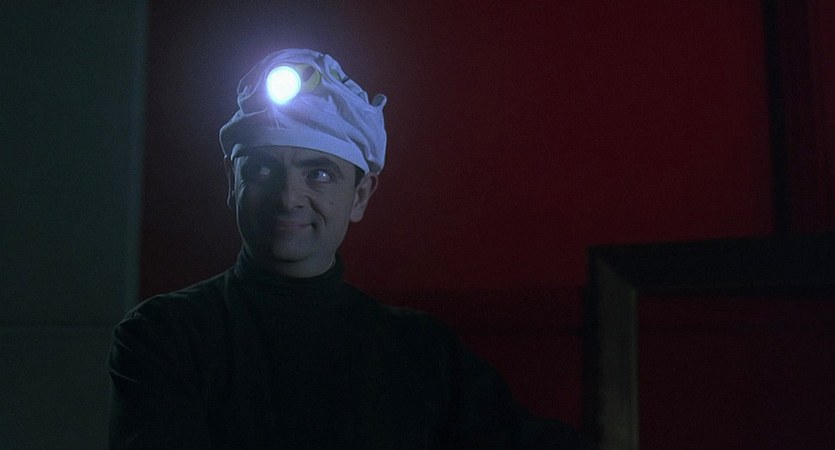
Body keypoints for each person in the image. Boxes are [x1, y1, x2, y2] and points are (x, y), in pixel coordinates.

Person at [108, 48, 593, 449]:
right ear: (232, 184)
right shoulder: (167, 335)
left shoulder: (421, 352)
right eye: (261, 169)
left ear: (360, 195)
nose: (287, 197)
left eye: (319, 173)